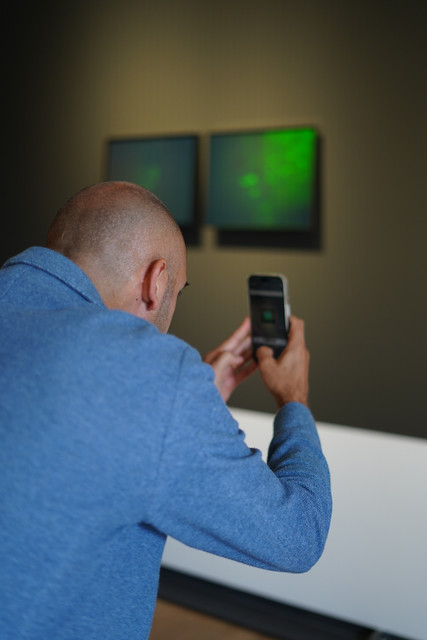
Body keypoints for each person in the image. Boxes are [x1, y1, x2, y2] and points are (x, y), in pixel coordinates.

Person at [0, 181, 332, 640]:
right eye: (179, 289)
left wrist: (189, 400)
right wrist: (293, 400)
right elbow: (299, 534)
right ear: (156, 282)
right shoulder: (146, 372)